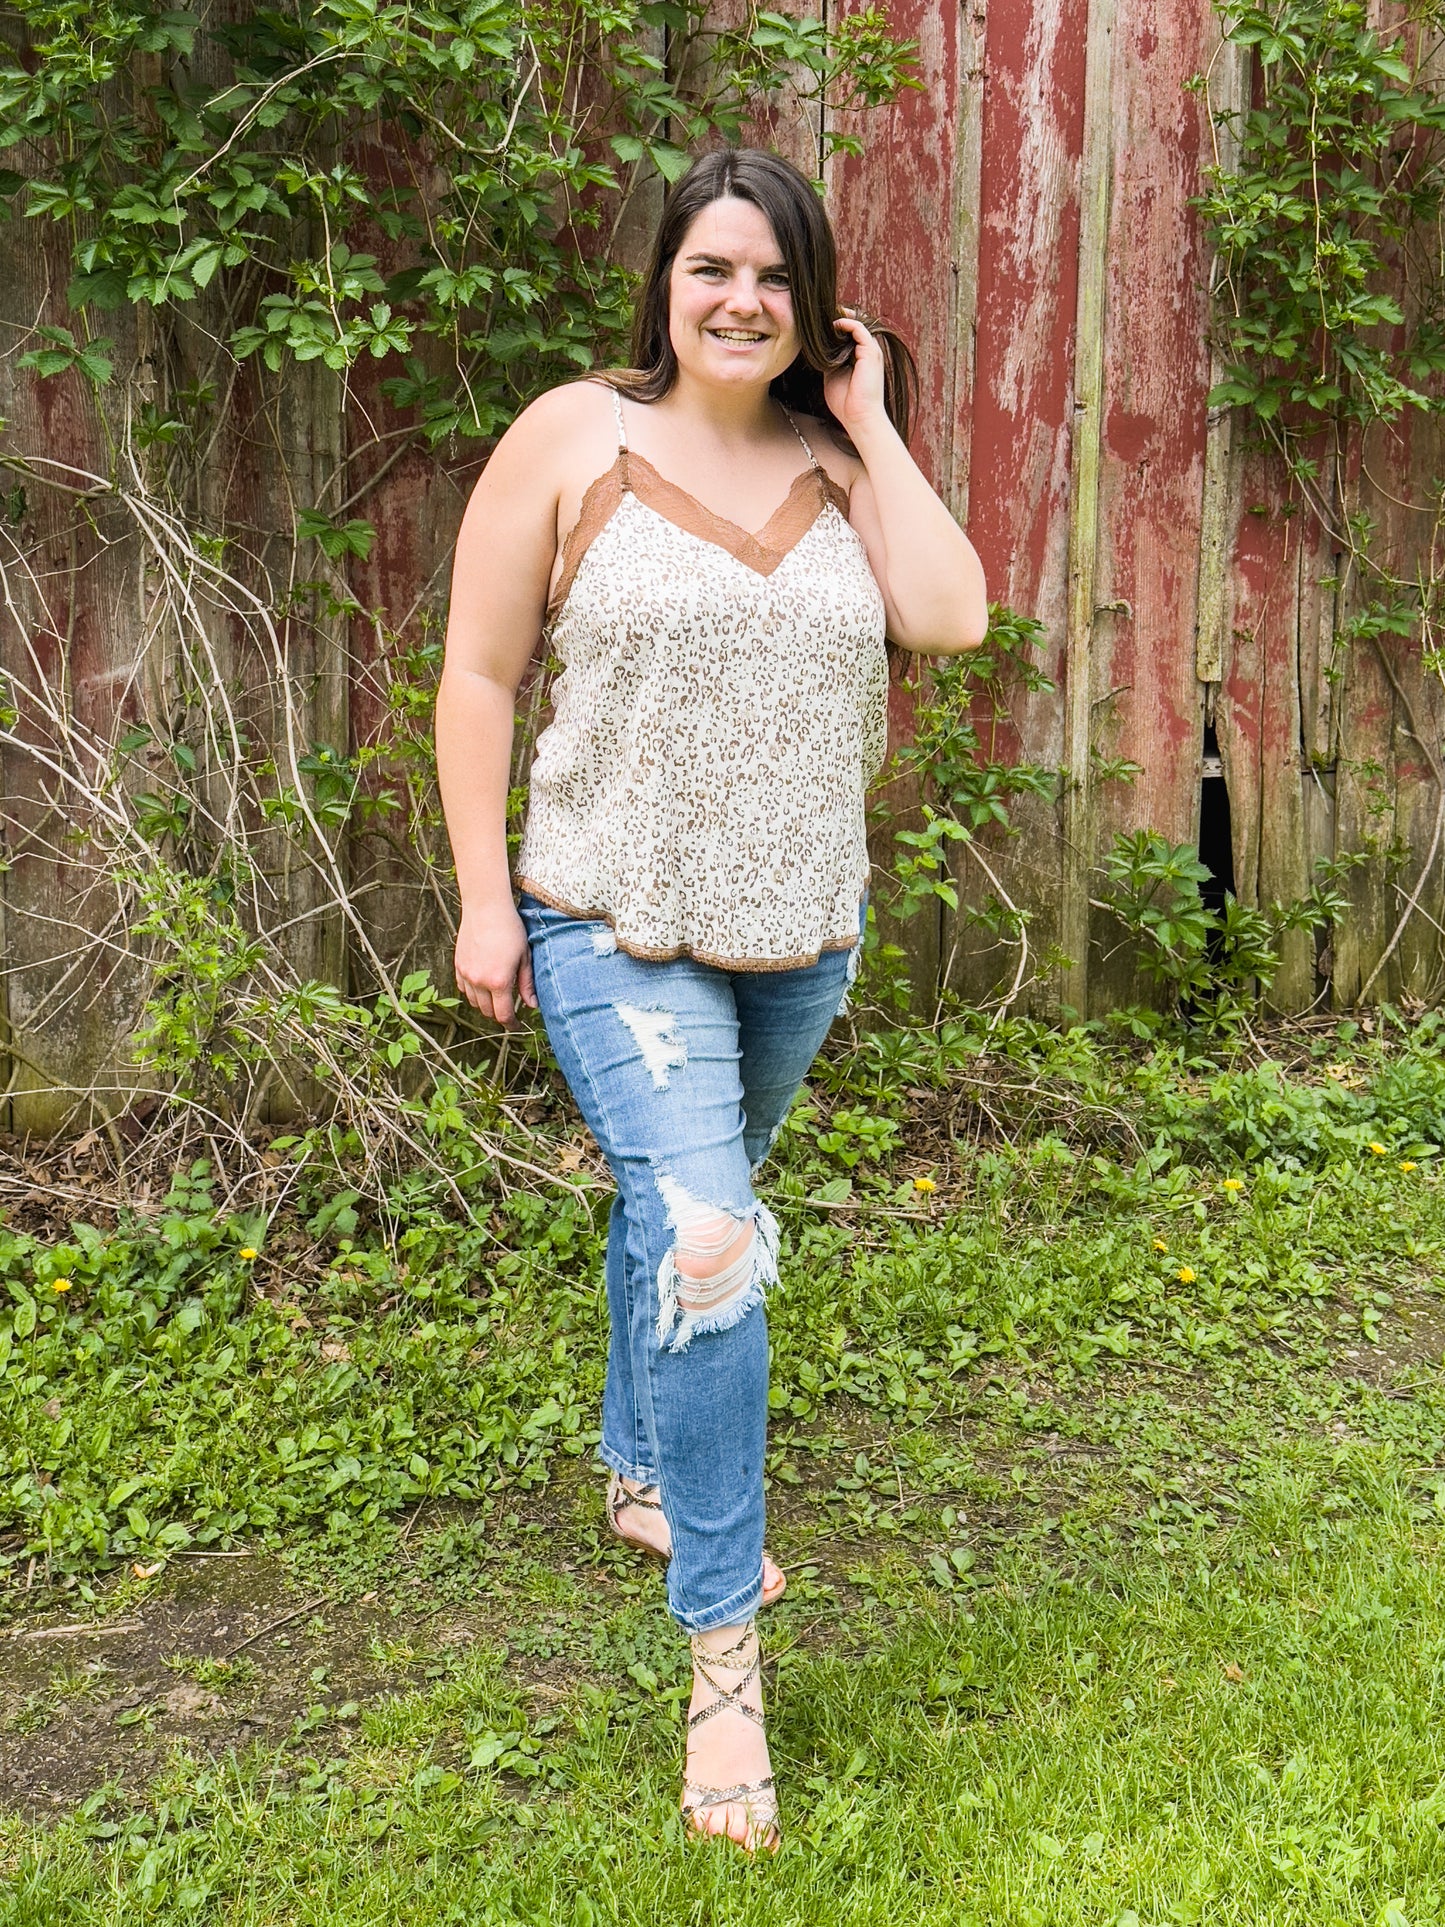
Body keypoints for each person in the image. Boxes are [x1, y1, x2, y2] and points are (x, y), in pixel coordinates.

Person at [435, 145, 987, 1853]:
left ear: (814, 303)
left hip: (795, 938)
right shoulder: (569, 435)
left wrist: (874, 416)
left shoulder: (841, 461)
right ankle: (724, 1672)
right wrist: (479, 897)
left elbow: (951, 622)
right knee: (706, 1238)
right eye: (708, 270)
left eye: (772, 275)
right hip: (610, 916)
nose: (738, 300)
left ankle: (633, 1468)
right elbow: (476, 670)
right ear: (663, 285)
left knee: (678, 1207)